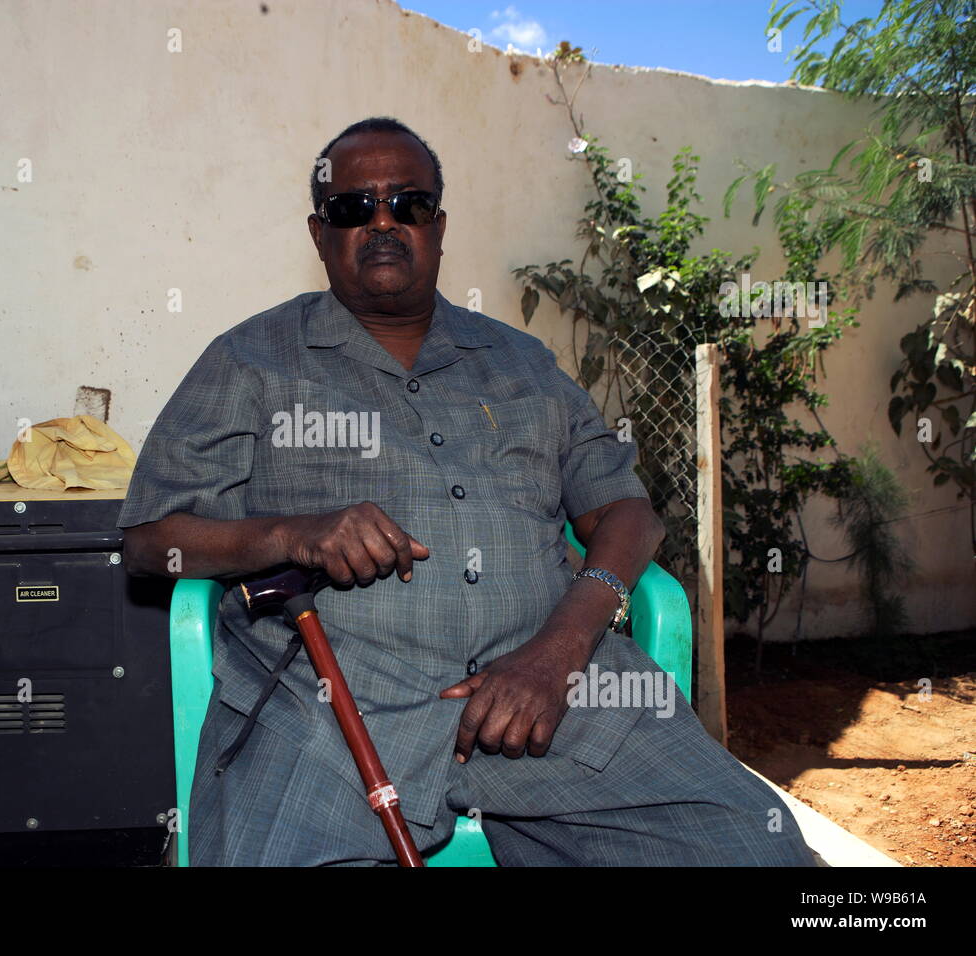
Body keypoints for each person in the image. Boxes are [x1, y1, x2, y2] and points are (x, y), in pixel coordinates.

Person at [118, 117, 816, 867]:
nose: (383, 223)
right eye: (355, 208)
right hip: (330, 707)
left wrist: (561, 649)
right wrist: (291, 536)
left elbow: (627, 513)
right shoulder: (249, 362)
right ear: (321, 235)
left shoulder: (522, 363)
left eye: (408, 204)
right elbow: (152, 543)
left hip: (554, 688)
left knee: (753, 847)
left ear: (439, 226)